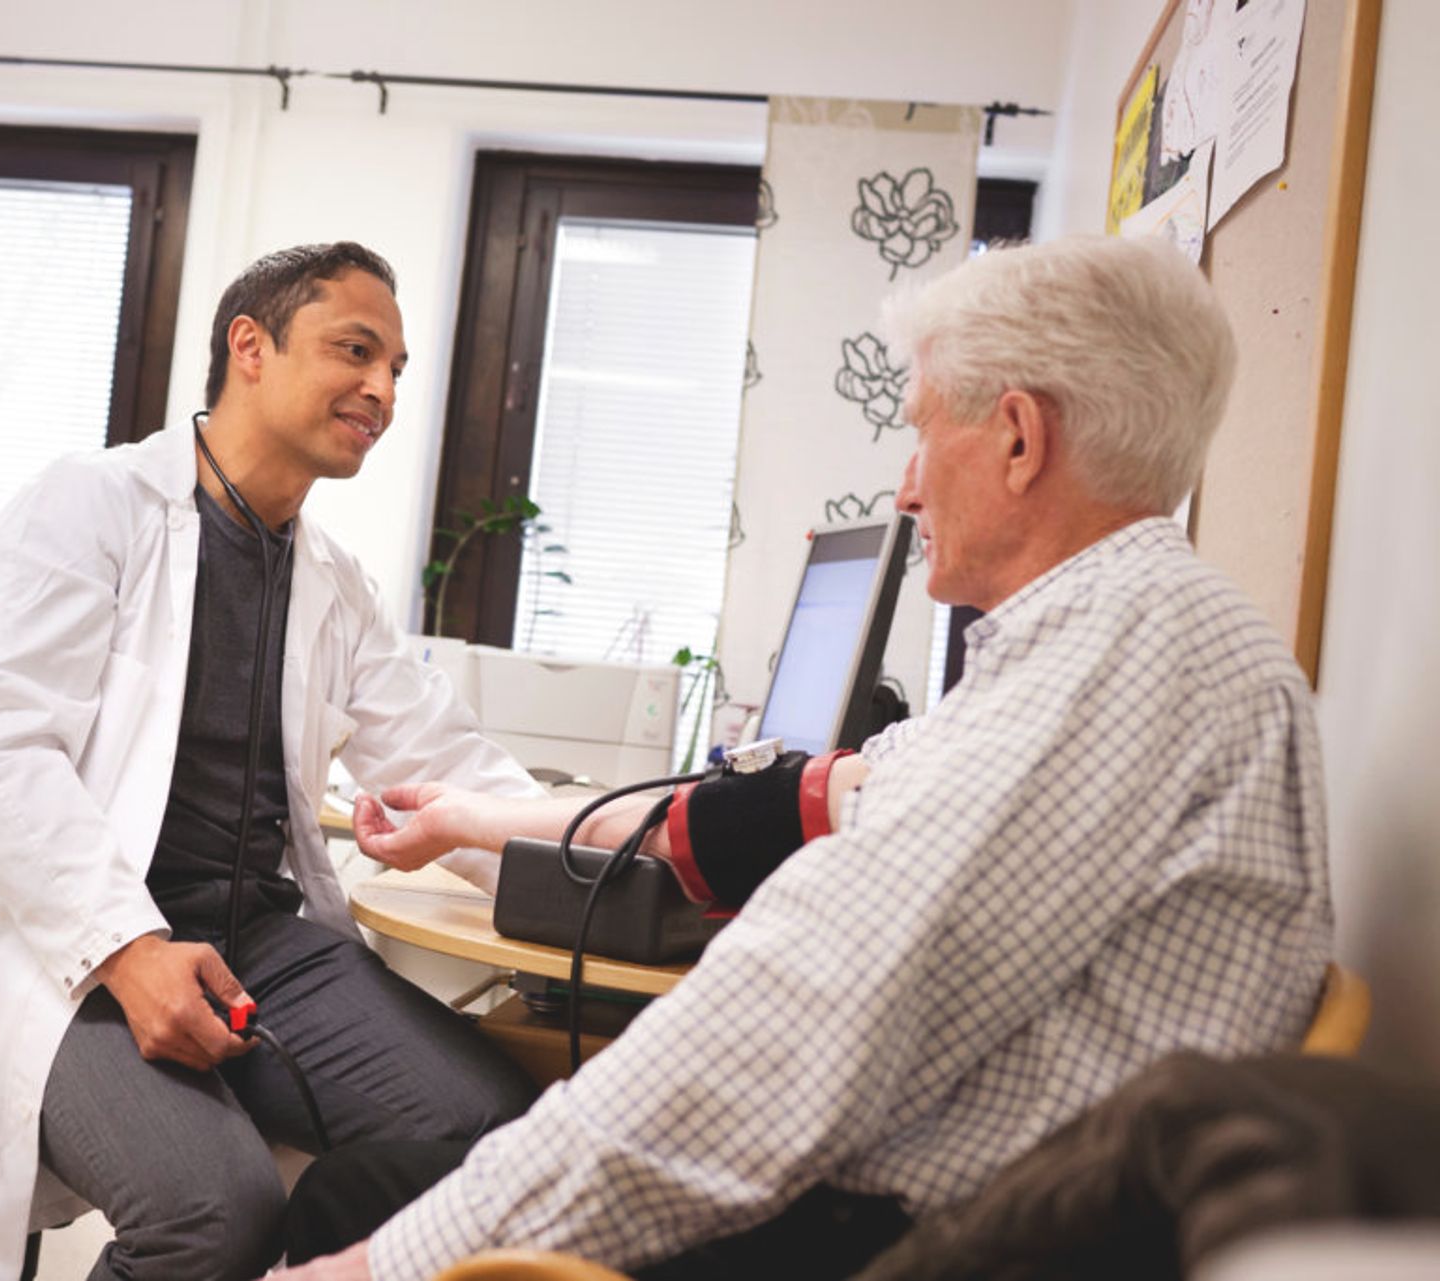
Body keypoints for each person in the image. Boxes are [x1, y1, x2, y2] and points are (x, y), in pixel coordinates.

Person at [276, 234, 1334, 1281]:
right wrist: (478, 821)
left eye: (921, 434)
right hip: (956, 1190)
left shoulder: (1124, 659)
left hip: (919, 1234)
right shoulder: (1111, 641)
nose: (908, 489)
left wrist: (381, 1269)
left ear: (1017, 438)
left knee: (354, 1206)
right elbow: (822, 814)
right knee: (386, 1180)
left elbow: (773, 1039)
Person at [0, 243, 541, 1280]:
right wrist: (130, 952)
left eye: (397, 369)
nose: (382, 389)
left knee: (500, 1138)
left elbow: (445, 758)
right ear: (250, 347)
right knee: (215, 1210)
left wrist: (600, 858)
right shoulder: (89, 506)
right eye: (356, 351)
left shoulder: (332, 579)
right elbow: (5, 755)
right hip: (64, 954)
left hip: (257, 943)